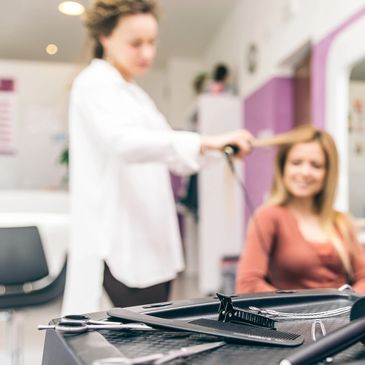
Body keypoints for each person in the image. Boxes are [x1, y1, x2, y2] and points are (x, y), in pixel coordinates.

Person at [62, 0, 254, 314]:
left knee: (156, 339)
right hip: (119, 246)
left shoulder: (136, 95)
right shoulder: (93, 84)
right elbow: (123, 142)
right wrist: (206, 141)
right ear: (104, 38)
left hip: (153, 243)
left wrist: (221, 150)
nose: (147, 53)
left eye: (152, 42)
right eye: (136, 43)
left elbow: (175, 157)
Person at [235, 124, 365, 294]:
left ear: (328, 173)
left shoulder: (341, 221)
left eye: (316, 165)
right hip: (293, 317)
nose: (305, 172)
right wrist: (302, 309)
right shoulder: (268, 217)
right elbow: (248, 285)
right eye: (296, 163)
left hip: (344, 318)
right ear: (283, 168)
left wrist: (345, 306)